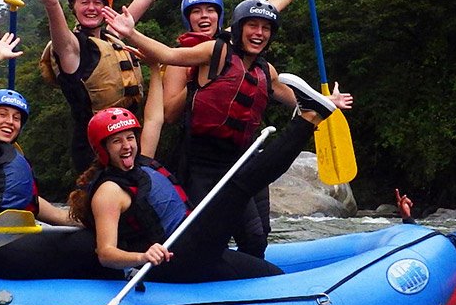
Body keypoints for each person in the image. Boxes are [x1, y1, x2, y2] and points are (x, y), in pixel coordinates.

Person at [104, 0, 352, 258]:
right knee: (205, 234)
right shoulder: (216, 52)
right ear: (238, 28)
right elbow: (168, 54)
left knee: (255, 237)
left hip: (241, 161)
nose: (259, 33)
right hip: (202, 164)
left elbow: (298, 101)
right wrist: (131, 32)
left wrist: (326, 101)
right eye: (252, 26)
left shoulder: (266, 71)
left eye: (266, 28)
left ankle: (252, 282)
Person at [67, 69, 350, 283]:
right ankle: (309, 118)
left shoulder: (141, 162)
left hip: (196, 243)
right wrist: (142, 257)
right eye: (117, 142)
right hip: (174, 257)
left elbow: (155, 118)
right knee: (240, 184)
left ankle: (310, 115)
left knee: (270, 274)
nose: (127, 145)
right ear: (102, 149)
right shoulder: (108, 191)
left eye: (130, 137)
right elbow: (106, 253)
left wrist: (155, 68)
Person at [0, 32, 112, 279]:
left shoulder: (9, 165)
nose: (10, 121)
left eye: (16, 117)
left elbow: (59, 216)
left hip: (13, 241)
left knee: (94, 239)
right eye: (3, 114)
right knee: (88, 249)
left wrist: (100, 224)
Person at [12, 0, 182, 174]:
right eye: (84, 2)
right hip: (93, 149)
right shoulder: (70, 46)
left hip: (129, 139)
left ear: (106, 8)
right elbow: (50, 2)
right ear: (74, 8)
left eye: (98, 3)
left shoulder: (114, 34)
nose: (91, 8)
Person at [162, 0, 314, 123]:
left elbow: (270, 7)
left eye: (210, 10)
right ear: (188, 19)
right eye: (196, 11)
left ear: (218, 17)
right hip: (199, 136)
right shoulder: (178, 59)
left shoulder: (228, 42)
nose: (204, 16)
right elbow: (169, 115)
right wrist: (197, 80)